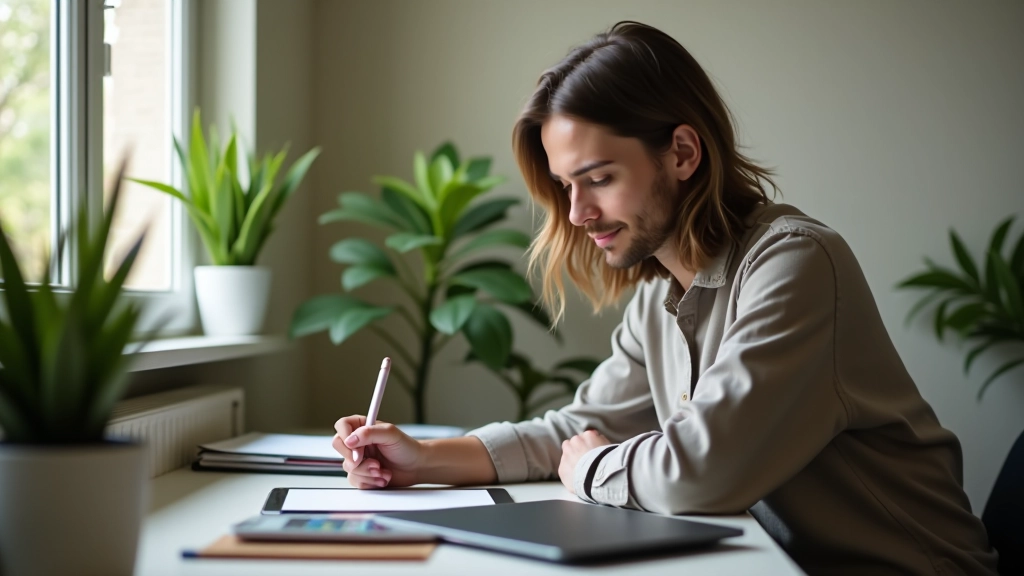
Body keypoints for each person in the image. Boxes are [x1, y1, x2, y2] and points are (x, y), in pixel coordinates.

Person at [331, 21, 997, 574]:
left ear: (682, 152)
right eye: (566, 186)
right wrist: (423, 460)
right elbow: (576, 429)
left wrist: (592, 467)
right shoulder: (661, 298)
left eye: (598, 178)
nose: (577, 213)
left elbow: (698, 473)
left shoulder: (795, 265)